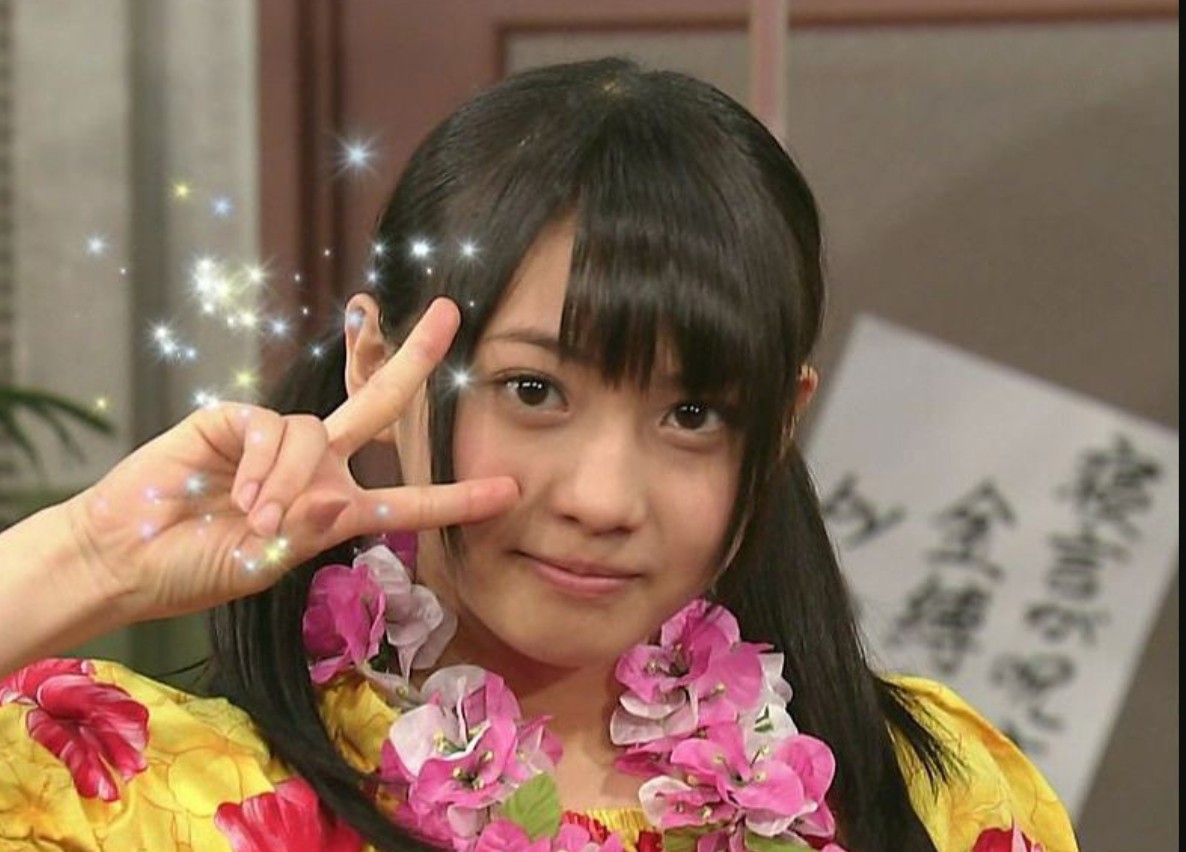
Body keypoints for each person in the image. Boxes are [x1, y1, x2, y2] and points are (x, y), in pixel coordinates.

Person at [0, 58, 1077, 852]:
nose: (604, 499)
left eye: (692, 413)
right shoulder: (147, 793)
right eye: (533, 391)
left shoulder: (938, 792)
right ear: (377, 366)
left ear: (778, 423)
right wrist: (89, 558)